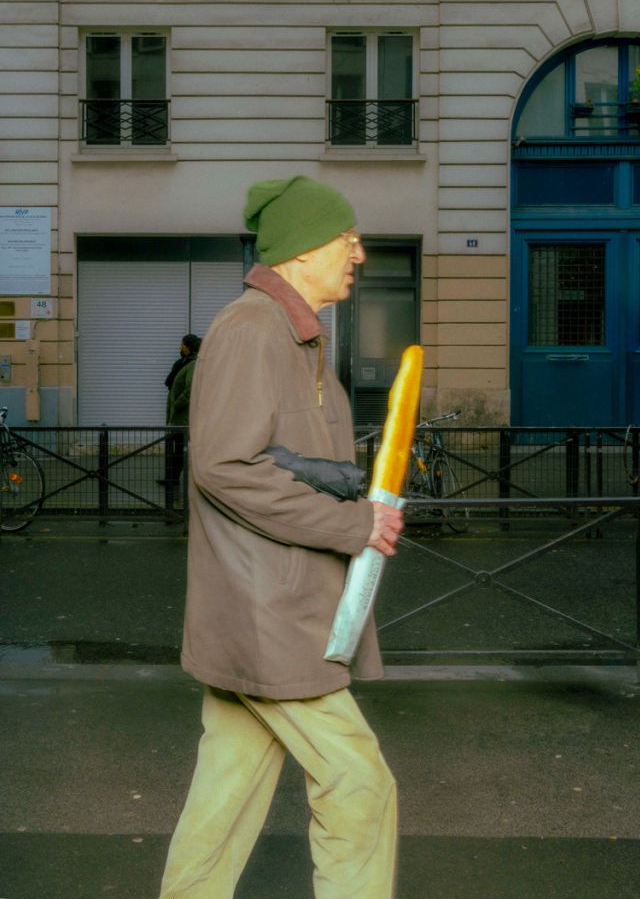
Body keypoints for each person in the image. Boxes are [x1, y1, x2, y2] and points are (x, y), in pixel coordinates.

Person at [158, 175, 404, 899]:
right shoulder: (251, 329)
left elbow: (277, 461)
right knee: (358, 784)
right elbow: (224, 468)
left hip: (266, 607)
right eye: (345, 239)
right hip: (270, 617)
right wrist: (351, 523)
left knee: (224, 798)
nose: (358, 253)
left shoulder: (290, 332)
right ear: (300, 252)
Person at [158, 334, 202, 489]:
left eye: (182, 344)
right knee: (178, 448)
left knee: (182, 449)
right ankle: (172, 478)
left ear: (189, 346)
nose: (180, 347)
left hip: (184, 416)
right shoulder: (184, 363)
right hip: (178, 416)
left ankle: (177, 479)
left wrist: (177, 404)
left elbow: (191, 389)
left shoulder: (193, 364)